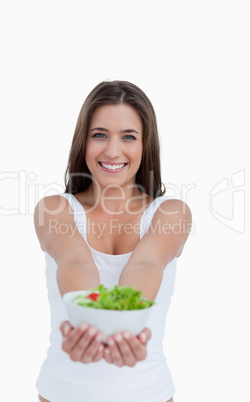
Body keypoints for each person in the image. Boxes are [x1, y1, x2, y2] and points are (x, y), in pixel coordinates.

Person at [34, 80, 192, 402]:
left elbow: (146, 263)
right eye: (100, 135)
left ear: (145, 145)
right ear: (84, 141)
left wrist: (122, 327)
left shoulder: (171, 213)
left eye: (128, 137)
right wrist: (90, 324)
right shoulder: (54, 209)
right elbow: (75, 260)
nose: (112, 150)